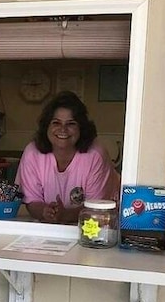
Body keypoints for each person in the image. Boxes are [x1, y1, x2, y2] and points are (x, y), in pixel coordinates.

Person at [16, 91, 119, 224]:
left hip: (99, 225)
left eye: (71, 123)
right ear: (46, 126)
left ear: (81, 128)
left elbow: (97, 209)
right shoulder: (32, 153)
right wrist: (45, 212)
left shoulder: (95, 155)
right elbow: (31, 201)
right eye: (56, 123)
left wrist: (65, 215)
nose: (63, 129)